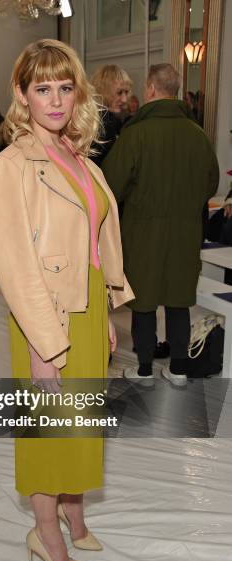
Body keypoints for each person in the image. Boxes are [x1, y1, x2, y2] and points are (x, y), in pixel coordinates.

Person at [0, 39, 133, 561]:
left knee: (80, 422)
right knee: (48, 433)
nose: (55, 99)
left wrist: (106, 314)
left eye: (64, 87)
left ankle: (74, 512)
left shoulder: (75, 155)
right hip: (45, 316)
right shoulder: (12, 166)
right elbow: (17, 268)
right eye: (42, 88)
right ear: (22, 94)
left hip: (85, 307)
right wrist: (44, 343)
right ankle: (45, 533)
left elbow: (93, 245)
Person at [102, 63, 219, 386]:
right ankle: (179, 369)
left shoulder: (136, 134)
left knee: (144, 301)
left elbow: (111, 184)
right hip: (184, 232)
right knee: (179, 299)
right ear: (177, 91)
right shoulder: (198, 135)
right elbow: (211, 184)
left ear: (151, 89)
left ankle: (143, 371)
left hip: (142, 232)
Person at [89, 64, 132, 166]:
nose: (125, 99)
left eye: (126, 92)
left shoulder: (116, 122)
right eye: (119, 93)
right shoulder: (102, 125)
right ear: (104, 91)